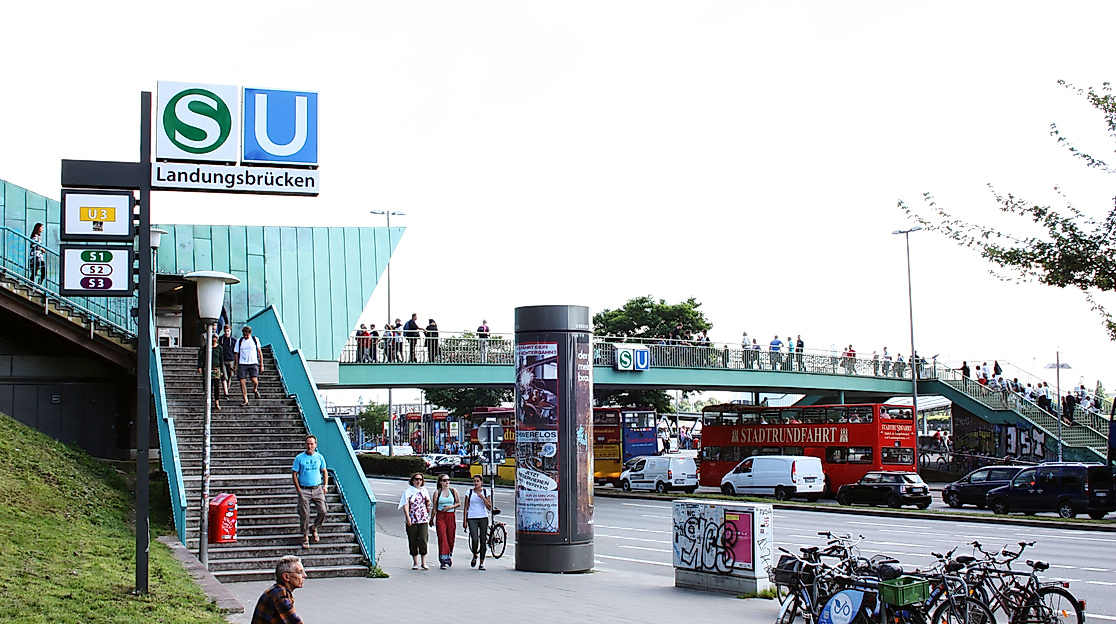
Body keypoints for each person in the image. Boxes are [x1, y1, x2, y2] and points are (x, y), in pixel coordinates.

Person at [292, 435, 328, 549]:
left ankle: (315, 527)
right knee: (305, 514)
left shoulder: (319, 457)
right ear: (305, 444)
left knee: (323, 510)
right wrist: (298, 490)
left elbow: (324, 471)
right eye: (308, 443)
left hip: (317, 488)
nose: (309, 446)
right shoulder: (299, 458)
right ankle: (305, 536)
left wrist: (325, 485)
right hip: (304, 489)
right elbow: (294, 474)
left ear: (315, 445)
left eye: (312, 444)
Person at [250, 555, 306, 624]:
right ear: (286, 576)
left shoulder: (280, 591)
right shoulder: (279, 594)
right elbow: (294, 622)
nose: (304, 575)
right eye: (300, 572)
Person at [400, 472, 432, 570]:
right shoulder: (408, 491)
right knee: (413, 539)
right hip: (413, 518)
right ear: (412, 481)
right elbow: (406, 504)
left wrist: (428, 502)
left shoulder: (424, 491)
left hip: (423, 518)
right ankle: (415, 562)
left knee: (423, 538)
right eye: (416, 479)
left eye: (420, 479)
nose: (418, 481)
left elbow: (428, 503)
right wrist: (408, 517)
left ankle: (423, 561)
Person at [463, 474, 493, 570]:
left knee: (483, 540)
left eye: (477, 481)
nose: (476, 483)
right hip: (472, 517)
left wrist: (483, 498)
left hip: (483, 517)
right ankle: (475, 553)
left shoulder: (485, 492)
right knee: (475, 538)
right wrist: (465, 520)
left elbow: (489, 507)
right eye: (474, 481)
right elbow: (466, 507)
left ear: (481, 482)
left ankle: (481, 562)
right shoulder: (469, 492)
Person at [431, 474, 460, 569]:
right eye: (444, 480)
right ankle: (443, 560)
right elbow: (434, 507)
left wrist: (450, 507)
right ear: (440, 482)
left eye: (448, 480)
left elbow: (458, 503)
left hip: (450, 516)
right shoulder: (437, 493)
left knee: (450, 538)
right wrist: (431, 518)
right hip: (440, 516)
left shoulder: (453, 491)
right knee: (442, 537)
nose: (446, 482)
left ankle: (449, 554)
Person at [234, 325, 263, 405]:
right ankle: (245, 399)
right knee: (242, 381)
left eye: (247, 335)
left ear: (250, 333)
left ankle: (255, 389)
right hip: (242, 363)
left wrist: (261, 364)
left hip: (253, 362)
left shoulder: (255, 340)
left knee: (254, 380)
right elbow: (236, 353)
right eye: (244, 335)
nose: (245, 336)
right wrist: (235, 364)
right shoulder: (239, 341)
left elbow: (259, 352)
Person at [197, 331, 224, 411]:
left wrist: (222, 370)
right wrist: (200, 366)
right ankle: (208, 399)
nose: (214, 340)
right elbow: (201, 357)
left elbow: (221, 359)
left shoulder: (219, 348)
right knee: (207, 385)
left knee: (216, 385)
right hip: (207, 368)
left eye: (215, 339)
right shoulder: (206, 347)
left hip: (216, 368)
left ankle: (216, 401)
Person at [217, 324, 237, 398]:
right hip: (223, 360)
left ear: (230, 331)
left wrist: (235, 362)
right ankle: (226, 392)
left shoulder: (233, 341)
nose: (227, 332)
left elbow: (236, 351)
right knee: (224, 377)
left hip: (231, 360)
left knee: (230, 375)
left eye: (228, 331)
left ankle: (227, 389)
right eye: (225, 331)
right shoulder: (221, 339)